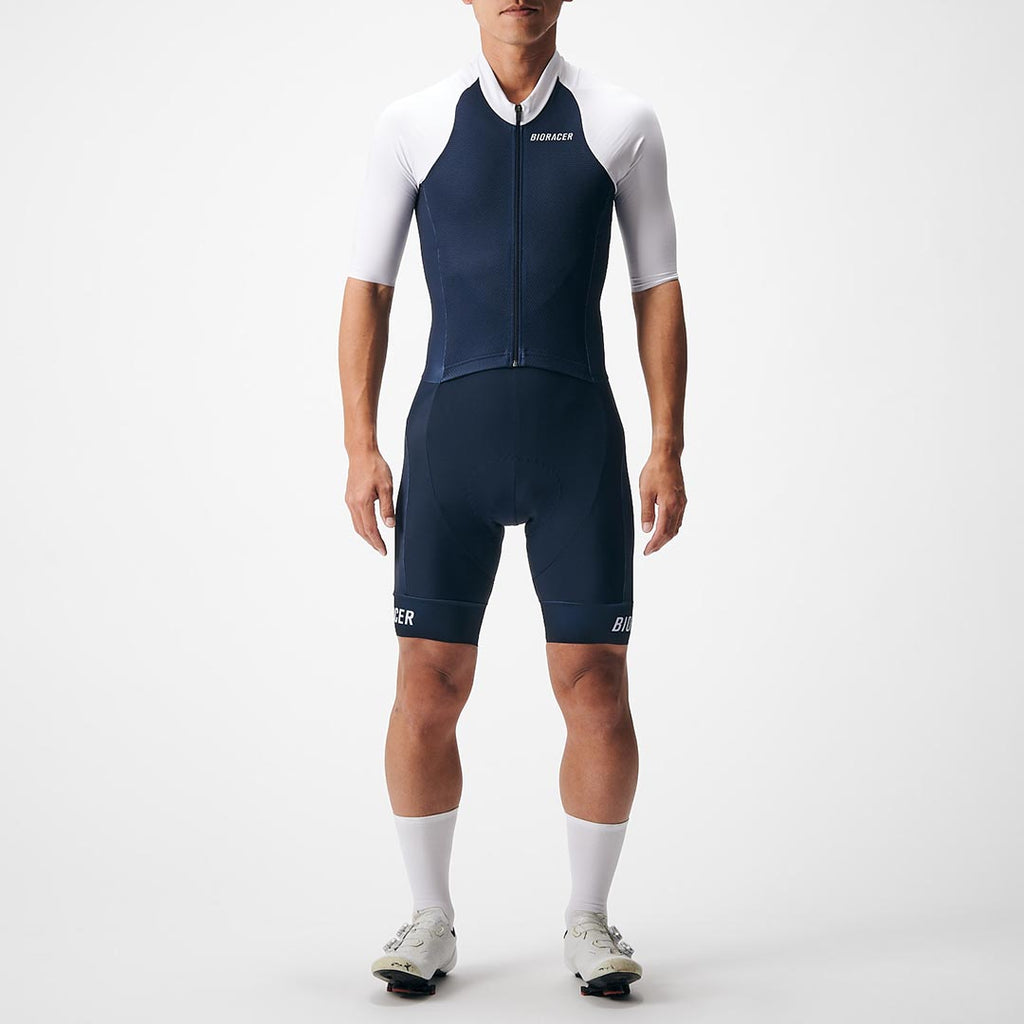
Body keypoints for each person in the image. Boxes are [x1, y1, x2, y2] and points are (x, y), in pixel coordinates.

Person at [337, 0, 687, 999]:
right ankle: (428, 918)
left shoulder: (621, 122)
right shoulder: (412, 123)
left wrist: (667, 445)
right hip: (450, 444)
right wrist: (360, 445)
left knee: (596, 687)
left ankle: (589, 918)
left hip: (579, 446)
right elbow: (368, 287)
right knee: (427, 687)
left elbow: (657, 288)